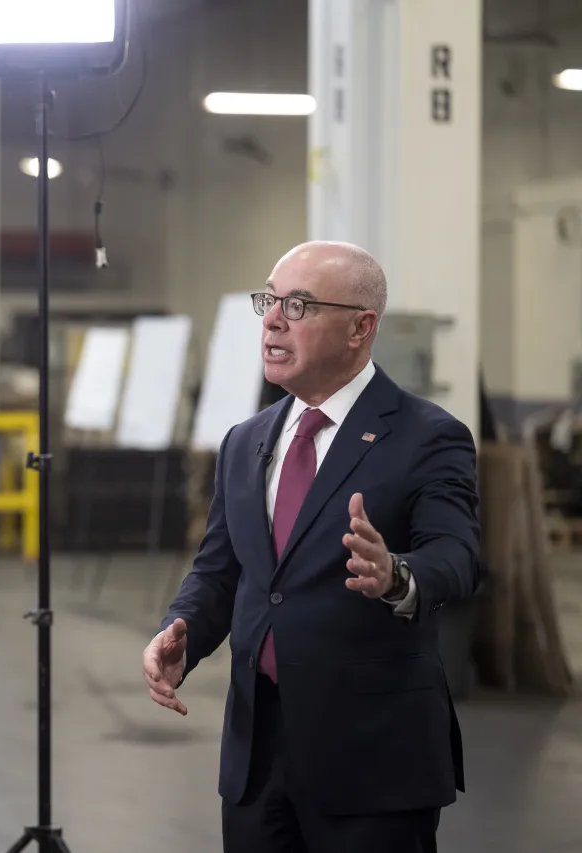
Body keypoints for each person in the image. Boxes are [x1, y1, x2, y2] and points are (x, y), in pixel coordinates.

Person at [142, 241, 480, 853]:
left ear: (361, 327)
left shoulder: (428, 436)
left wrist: (397, 575)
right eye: (269, 299)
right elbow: (221, 570)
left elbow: (456, 556)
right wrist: (182, 628)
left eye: (298, 305)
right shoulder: (246, 442)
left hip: (372, 762)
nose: (272, 318)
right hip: (256, 756)